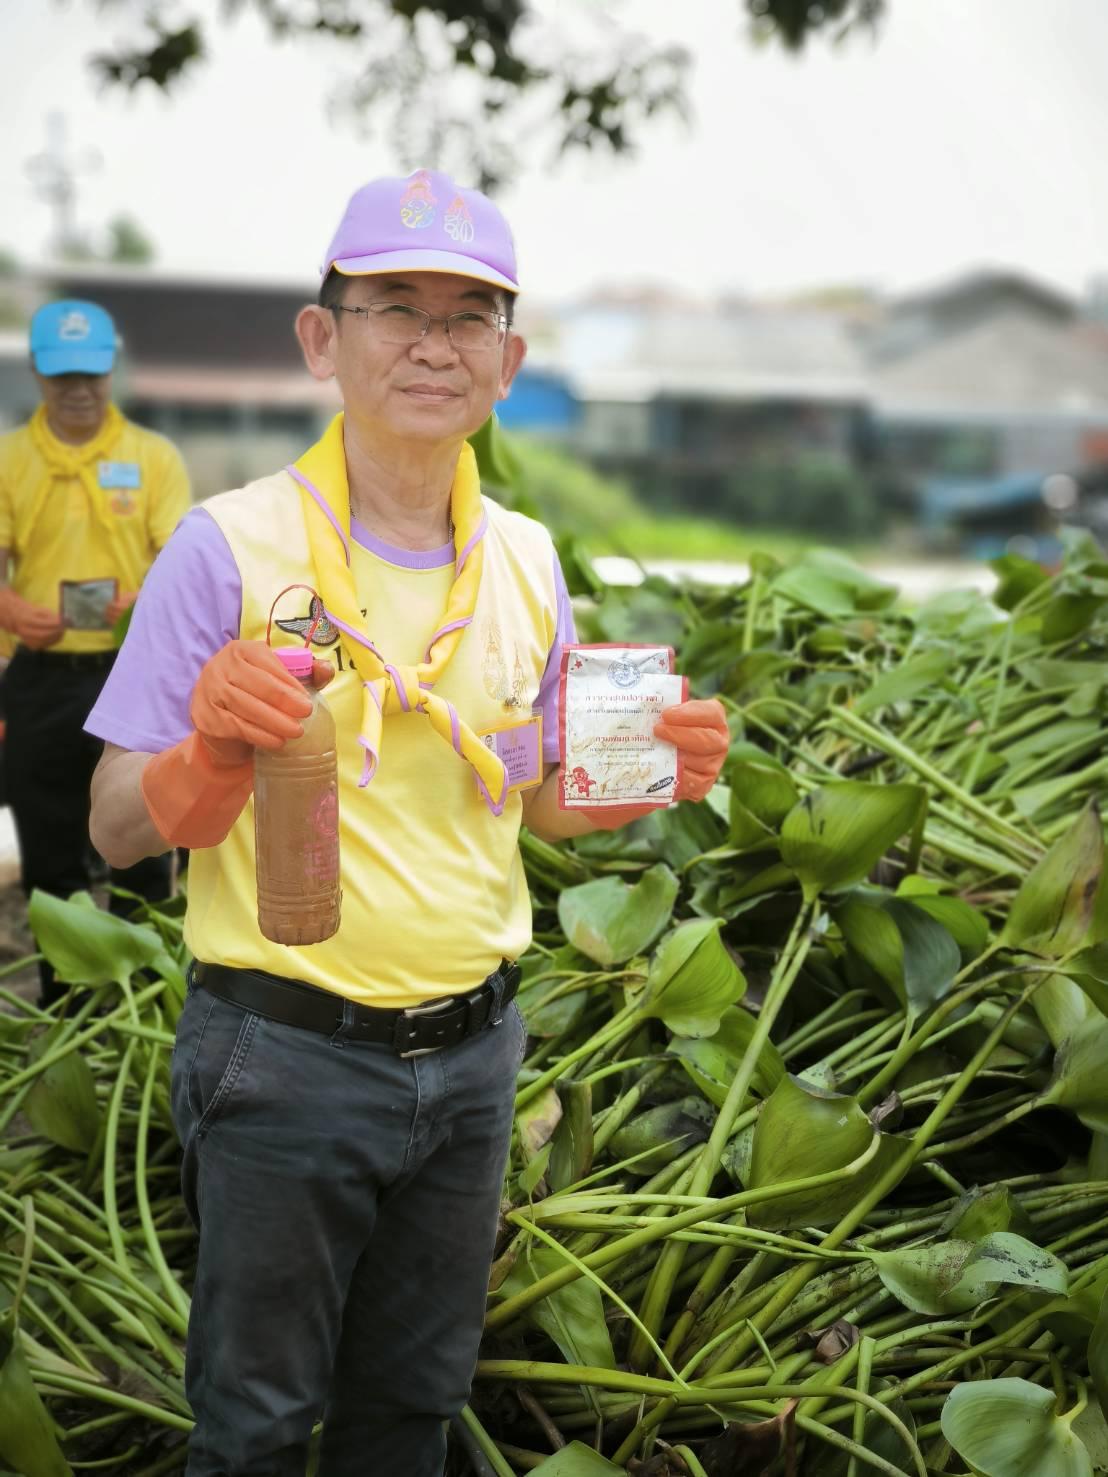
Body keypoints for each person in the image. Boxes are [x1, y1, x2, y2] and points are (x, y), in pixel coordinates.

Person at [85, 169, 730, 1477]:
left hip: (477, 1061)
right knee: (256, 1423)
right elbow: (108, 828)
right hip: (284, 1058)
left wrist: (643, 770)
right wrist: (209, 750)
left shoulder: (533, 559)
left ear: (511, 357)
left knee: (413, 1412)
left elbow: (536, 801)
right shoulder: (224, 548)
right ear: (323, 339)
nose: (434, 342)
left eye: (468, 314)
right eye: (394, 307)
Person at [0, 299, 191, 1002]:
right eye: (62, 375)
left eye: (91, 373)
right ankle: (69, 1005)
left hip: (133, 675)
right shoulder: (10, 459)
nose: (78, 388)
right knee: (52, 854)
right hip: (40, 677)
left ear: (112, 367)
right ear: (37, 374)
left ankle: (149, 998)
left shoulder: (152, 458)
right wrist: (10, 606)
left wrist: (143, 602)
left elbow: (177, 560)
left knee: (144, 843)